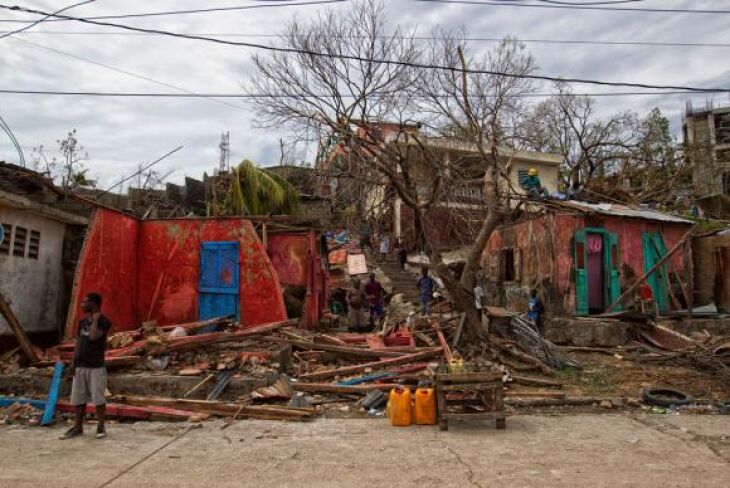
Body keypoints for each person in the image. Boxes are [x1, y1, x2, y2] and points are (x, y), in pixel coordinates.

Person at [60, 292, 112, 440]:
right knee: (78, 398)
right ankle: (78, 427)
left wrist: (95, 321)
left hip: (95, 366)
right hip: (80, 365)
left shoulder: (104, 321)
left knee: (98, 398)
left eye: (85, 302)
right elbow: (79, 342)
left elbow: (94, 337)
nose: (82, 305)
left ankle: (101, 426)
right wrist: (73, 361)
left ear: (94, 304)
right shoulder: (82, 322)